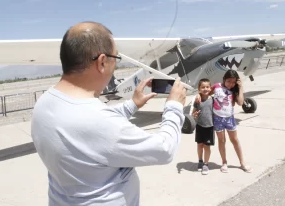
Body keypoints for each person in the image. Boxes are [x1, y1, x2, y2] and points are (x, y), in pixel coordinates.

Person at [31, 21, 187, 206]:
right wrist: (174, 107)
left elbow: (93, 122)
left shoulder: (44, 102)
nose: (115, 65)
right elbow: (164, 150)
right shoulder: (99, 123)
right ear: (102, 62)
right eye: (116, 58)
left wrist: (132, 105)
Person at [195, 70, 252, 173]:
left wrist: (240, 87)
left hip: (229, 119)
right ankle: (224, 162)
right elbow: (206, 92)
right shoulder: (217, 87)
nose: (231, 84)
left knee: (234, 140)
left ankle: (242, 162)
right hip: (217, 119)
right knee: (222, 141)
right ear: (224, 79)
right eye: (228, 81)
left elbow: (240, 102)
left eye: (233, 82)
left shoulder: (234, 90)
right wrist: (198, 94)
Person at [192, 78, 214, 175]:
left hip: (209, 126)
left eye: (207, 87)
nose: (205, 89)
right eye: (203, 87)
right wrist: (195, 114)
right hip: (200, 126)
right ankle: (200, 161)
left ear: (210, 88)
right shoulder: (197, 100)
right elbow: (193, 113)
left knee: (207, 146)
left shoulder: (213, 100)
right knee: (200, 145)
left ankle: (206, 164)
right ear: (199, 89)